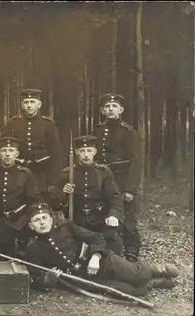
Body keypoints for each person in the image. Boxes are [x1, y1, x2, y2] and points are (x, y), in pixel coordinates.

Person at [20, 202, 179, 297]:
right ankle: (154, 283)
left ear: (51, 218)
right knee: (130, 291)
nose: (42, 223)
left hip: (103, 260)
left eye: (44, 218)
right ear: (31, 225)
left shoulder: (67, 227)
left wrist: (95, 257)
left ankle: (156, 269)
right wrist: (48, 278)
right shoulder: (33, 247)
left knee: (137, 275)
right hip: (85, 277)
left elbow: (96, 238)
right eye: (36, 220)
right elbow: (34, 278)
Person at [50, 135, 124, 256]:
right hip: (76, 221)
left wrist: (114, 215)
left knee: (113, 239)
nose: (86, 155)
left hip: (99, 218)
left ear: (95, 152)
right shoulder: (67, 173)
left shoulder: (103, 172)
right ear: (76, 153)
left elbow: (115, 197)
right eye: (82, 151)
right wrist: (63, 193)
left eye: (89, 150)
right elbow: (55, 205)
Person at [92, 93, 142, 262]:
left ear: (121, 109)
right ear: (102, 110)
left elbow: (136, 161)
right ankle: (108, 249)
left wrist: (130, 189)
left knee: (128, 216)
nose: (111, 109)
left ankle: (131, 252)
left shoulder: (128, 132)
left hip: (122, 178)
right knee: (105, 212)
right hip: (103, 179)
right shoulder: (98, 130)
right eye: (107, 106)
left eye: (114, 106)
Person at [3, 89, 62, 201]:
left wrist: (53, 181)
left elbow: (56, 154)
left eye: (32, 102)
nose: (29, 105)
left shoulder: (48, 125)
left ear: (39, 104)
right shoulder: (13, 124)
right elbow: (3, 147)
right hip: (19, 170)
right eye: (26, 102)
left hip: (41, 172)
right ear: (22, 105)